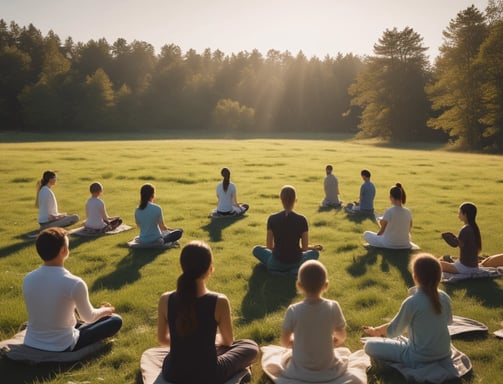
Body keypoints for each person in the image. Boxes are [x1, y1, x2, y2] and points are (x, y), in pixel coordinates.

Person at [157, 241, 259, 383]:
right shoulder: (219, 301)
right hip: (209, 375)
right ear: (210, 269)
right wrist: (213, 342)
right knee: (250, 346)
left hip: (173, 372)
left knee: (168, 353)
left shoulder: (165, 299)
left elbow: (162, 339)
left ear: (182, 266)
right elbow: (228, 341)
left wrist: (186, 345)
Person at [22, 227, 122, 352]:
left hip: (32, 340)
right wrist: (106, 310)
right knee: (115, 320)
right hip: (62, 344)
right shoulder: (74, 283)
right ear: (64, 250)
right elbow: (89, 318)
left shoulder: (28, 278)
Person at [363, 253, 453, 366]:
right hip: (444, 352)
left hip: (418, 356)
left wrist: (376, 332)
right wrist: (378, 330)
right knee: (404, 339)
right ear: (440, 277)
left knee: (369, 345)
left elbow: (394, 331)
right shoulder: (445, 297)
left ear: (415, 277)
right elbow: (448, 321)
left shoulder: (412, 302)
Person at [277, 260, 352, 382]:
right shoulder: (333, 307)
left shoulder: (293, 310)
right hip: (326, 365)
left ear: (299, 285)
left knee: (284, 357)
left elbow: (285, 341)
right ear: (326, 285)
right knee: (342, 354)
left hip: (300, 366)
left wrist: (292, 343)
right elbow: (341, 335)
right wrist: (334, 341)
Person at [252, 185, 322, 274]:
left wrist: (268, 248)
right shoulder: (302, 219)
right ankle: (294, 270)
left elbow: (269, 247)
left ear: (281, 199)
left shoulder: (272, 218)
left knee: (256, 249)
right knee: (315, 253)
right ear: (295, 199)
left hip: (275, 263)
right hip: (296, 261)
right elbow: (304, 248)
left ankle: (279, 270)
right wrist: (311, 247)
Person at [363, 183, 415, 249]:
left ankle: (375, 242)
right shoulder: (408, 211)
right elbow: (408, 229)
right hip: (405, 244)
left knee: (366, 234)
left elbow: (382, 231)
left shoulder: (389, 211)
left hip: (389, 244)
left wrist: (376, 238)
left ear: (391, 197)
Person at [439, 202, 481, 273]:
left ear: (465, 214)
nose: (458, 215)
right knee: (445, 258)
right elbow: (463, 245)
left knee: (434, 264)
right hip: (474, 266)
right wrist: (454, 238)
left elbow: (456, 244)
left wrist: (449, 238)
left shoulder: (465, 229)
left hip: (464, 268)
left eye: (459, 212)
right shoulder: (474, 228)